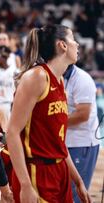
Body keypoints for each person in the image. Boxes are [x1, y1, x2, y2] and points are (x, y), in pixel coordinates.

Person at [6, 24, 90, 203]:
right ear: (62, 45)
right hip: (37, 172)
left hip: (60, 172)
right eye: (73, 39)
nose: (77, 44)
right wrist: (26, 185)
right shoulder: (36, 77)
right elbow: (12, 132)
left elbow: (58, 144)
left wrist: (78, 181)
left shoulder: (59, 80)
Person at [64, 64, 100, 203]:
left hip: (82, 143)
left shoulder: (82, 79)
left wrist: (52, 123)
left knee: (75, 196)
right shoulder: (53, 75)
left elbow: (83, 115)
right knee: (63, 193)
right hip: (64, 142)